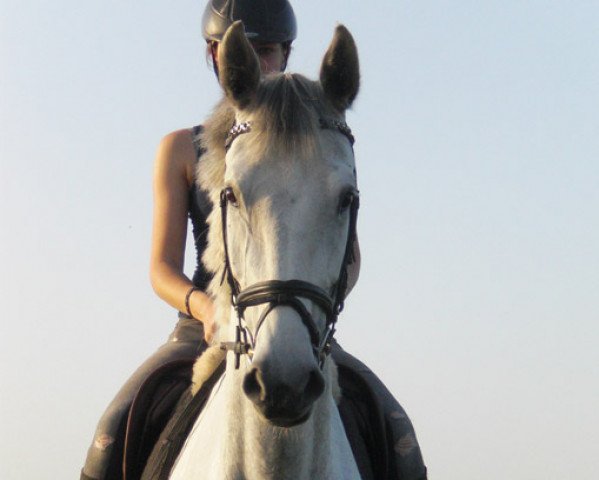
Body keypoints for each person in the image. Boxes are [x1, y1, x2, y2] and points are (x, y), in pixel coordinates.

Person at [81, 1, 426, 479]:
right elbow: (161, 269)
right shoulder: (182, 147)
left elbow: (349, 257)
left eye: (267, 50)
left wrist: (312, 317)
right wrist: (208, 311)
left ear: (285, 54)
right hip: (200, 330)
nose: (258, 63)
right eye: (242, 51)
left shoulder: (322, 143)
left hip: (300, 327)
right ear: (215, 57)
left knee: (399, 439)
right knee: (111, 434)